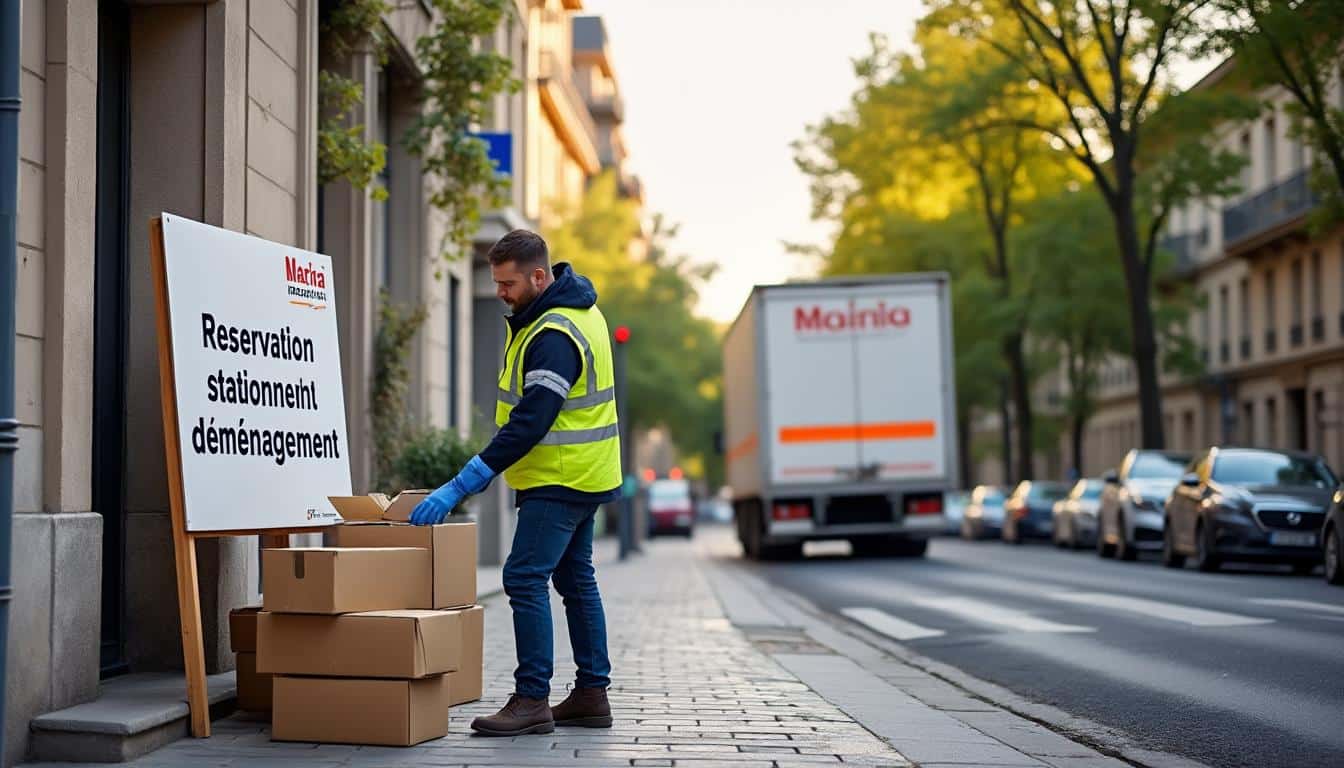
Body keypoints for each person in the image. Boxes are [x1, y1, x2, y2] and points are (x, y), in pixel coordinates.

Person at [409, 229, 621, 737]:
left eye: (508, 283)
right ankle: (592, 695)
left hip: (560, 478)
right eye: (497, 282)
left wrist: (464, 482)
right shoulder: (571, 314)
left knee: (523, 577)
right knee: (574, 580)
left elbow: (532, 420)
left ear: (539, 276)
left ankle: (531, 700)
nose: (501, 292)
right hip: (583, 474)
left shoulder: (554, 334)